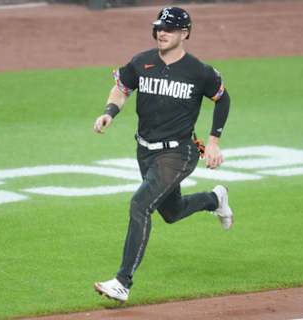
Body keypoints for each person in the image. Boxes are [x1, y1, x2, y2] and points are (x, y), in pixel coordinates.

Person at [93, 6, 233, 303]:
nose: (162, 32)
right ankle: (215, 199)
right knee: (171, 211)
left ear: (185, 33)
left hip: (180, 152)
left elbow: (223, 98)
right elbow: (121, 88)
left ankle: (122, 282)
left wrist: (213, 141)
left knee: (139, 205)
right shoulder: (141, 62)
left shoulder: (199, 71)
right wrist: (109, 113)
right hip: (145, 151)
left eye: (169, 28)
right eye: (159, 27)